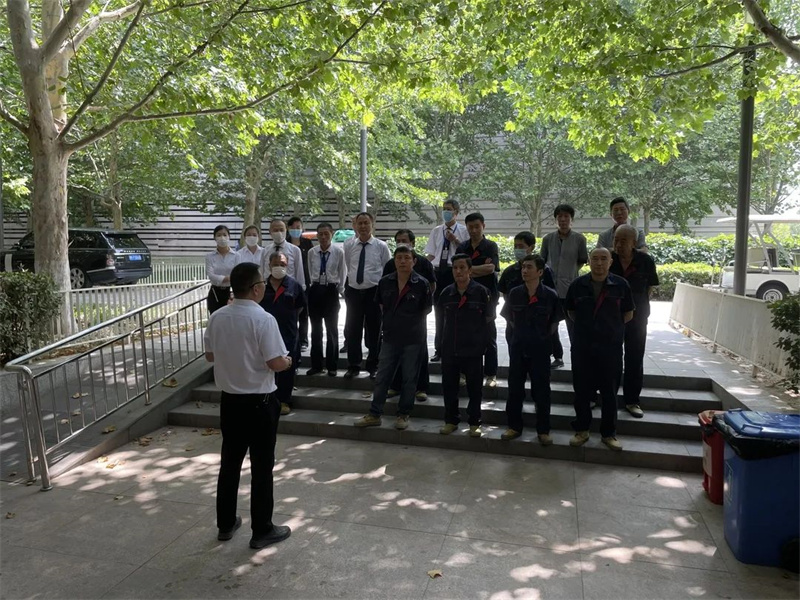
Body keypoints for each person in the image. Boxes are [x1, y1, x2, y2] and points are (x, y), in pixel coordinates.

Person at [203, 261, 293, 550]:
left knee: (229, 463)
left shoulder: (217, 317)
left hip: (230, 402)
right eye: (262, 283)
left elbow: (209, 356)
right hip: (259, 403)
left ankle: (226, 523)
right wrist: (287, 362)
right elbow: (275, 362)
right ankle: (262, 529)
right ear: (255, 288)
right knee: (262, 466)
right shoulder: (263, 319)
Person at [354, 246, 432, 430]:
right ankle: (375, 414)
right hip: (390, 338)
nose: (403, 261)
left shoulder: (422, 284)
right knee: (382, 377)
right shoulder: (385, 282)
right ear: (394, 261)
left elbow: (426, 309)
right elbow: (381, 305)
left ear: (414, 261)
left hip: (413, 338)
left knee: (409, 378)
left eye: (407, 258)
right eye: (399, 258)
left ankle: (403, 414)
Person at [566, 247, 634, 451]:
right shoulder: (577, 285)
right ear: (588, 261)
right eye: (595, 258)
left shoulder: (621, 285)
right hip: (583, 347)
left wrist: (609, 331)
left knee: (609, 392)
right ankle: (582, 430)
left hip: (610, 348)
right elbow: (571, 312)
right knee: (582, 391)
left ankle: (608, 433)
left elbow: (628, 314)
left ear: (610, 262)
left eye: (604, 258)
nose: (599, 262)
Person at [500, 254, 561, 445]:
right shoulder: (515, 293)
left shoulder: (550, 295)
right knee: (515, 389)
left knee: (541, 391)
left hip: (540, 350)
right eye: (523, 267)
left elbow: (554, 323)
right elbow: (509, 318)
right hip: (518, 348)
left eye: (529, 267)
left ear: (540, 272)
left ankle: (543, 430)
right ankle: (514, 426)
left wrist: (540, 338)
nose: (524, 270)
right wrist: (521, 335)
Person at [438, 254, 492, 437]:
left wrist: (482, 344)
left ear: (470, 270)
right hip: (450, 348)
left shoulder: (481, 292)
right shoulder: (446, 293)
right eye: (455, 268)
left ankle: (474, 422)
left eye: (462, 267)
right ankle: (451, 420)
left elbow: (488, 319)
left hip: (473, 349)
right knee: (449, 387)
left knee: (475, 389)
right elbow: (440, 321)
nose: (458, 271)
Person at [610, 224, 659, 418]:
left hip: (638, 318)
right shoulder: (608, 259)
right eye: (616, 240)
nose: (618, 244)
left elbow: (650, 288)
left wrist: (637, 305)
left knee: (635, 357)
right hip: (611, 318)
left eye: (623, 240)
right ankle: (607, 397)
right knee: (609, 358)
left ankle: (632, 401)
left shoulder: (645, 261)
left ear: (634, 243)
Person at [383, 229, 435, 401]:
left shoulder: (424, 263)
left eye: (404, 240)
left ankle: (421, 387)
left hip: (416, 318)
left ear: (412, 243)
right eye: (398, 240)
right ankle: (396, 385)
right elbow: (384, 290)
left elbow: (432, 286)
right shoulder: (391, 264)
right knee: (395, 352)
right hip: (395, 318)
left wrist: (420, 310)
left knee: (419, 352)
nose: (401, 243)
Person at [342, 212, 391, 379]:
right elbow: (349, 265)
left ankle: (374, 365)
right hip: (354, 291)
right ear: (355, 225)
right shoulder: (349, 245)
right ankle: (353, 366)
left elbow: (386, 270)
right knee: (353, 329)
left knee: (375, 330)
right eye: (360, 223)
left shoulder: (381, 246)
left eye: (366, 223)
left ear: (372, 224)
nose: (363, 226)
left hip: (373, 292)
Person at [540, 204, 589, 368]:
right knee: (551, 325)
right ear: (556, 219)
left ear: (571, 219)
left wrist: (570, 271)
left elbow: (582, 259)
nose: (563, 219)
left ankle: (578, 358)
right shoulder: (548, 239)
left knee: (573, 325)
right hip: (551, 289)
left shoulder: (579, 239)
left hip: (571, 289)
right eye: (559, 216)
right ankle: (557, 357)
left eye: (566, 216)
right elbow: (542, 261)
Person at [456, 212, 500, 387]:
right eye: (470, 227)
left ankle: (491, 374)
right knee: (464, 334)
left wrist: (468, 269)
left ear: (483, 226)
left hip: (488, 298)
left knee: (489, 336)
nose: (473, 230)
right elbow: (457, 269)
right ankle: (463, 373)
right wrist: (478, 268)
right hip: (465, 296)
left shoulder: (490, 246)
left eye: (477, 226)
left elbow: (491, 268)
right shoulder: (462, 247)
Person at [260, 252, 307, 416]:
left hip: (288, 333)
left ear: (287, 266)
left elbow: (300, 307)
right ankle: (268, 398)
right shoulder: (261, 286)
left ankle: (285, 400)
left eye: (282, 264)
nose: (279, 267)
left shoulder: (294, 285)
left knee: (287, 366)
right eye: (275, 264)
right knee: (267, 365)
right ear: (269, 265)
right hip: (266, 333)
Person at [424, 200, 470, 362]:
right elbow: (431, 254)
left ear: (456, 212)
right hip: (438, 273)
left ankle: (457, 348)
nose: (446, 212)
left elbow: (467, 252)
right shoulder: (436, 231)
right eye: (444, 209)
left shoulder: (464, 231)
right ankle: (439, 349)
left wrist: (455, 240)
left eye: (449, 209)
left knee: (456, 312)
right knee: (439, 312)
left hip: (455, 272)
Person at [498, 231, 556, 348]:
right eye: (515, 246)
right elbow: (505, 294)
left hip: (540, 324)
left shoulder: (545, 270)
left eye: (521, 246)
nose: (517, 249)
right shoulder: (509, 271)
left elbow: (551, 297)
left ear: (531, 247)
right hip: (516, 321)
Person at [306, 222, 346, 377]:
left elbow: (342, 272)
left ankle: (332, 366)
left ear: (332, 234)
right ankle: (316, 365)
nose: (323, 237)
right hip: (316, 289)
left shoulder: (338, 252)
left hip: (331, 290)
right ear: (317, 235)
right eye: (320, 234)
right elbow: (310, 271)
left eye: (326, 234)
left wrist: (340, 289)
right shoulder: (312, 252)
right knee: (316, 330)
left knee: (332, 330)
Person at [287, 216, 314, 351]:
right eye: (293, 227)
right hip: (289, 283)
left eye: (298, 227)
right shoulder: (285, 243)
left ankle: (303, 340)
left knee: (304, 312)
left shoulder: (307, 243)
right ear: (288, 228)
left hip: (305, 281)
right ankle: (292, 337)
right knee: (290, 312)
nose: (296, 230)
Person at [261, 219, 306, 288]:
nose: (279, 233)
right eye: (275, 230)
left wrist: (301, 288)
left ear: (286, 230)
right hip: (269, 288)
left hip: (288, 288)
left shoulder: (295, 250)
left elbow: (299, 273)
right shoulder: (265, 251)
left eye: (281, 230)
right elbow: (262, 272)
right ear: (270, 232)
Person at [205, 225, 237, 314]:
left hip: (231, 292)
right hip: (215, 293)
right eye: (219, 235)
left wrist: (227, 278)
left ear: (229, 237)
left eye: (224, 234)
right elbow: (211, 275)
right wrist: (228, 278)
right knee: (215, 318)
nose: (222, 237)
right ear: (214, 238)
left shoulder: (236, 256)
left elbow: (238, 275)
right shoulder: (209, 256)